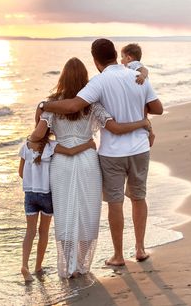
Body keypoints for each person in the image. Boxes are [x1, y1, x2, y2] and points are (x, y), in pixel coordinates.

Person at [39, 40, 163, 267]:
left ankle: (118, 255)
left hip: (112, 153)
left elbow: (72, 106)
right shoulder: (138, 75)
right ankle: (140, 248)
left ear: (95, 61)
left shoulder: (99, 82)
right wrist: (143, 119)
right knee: (138, 197)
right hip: (140, 149)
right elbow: (158, 109)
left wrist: (43, 106)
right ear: (116, 54)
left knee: (115, 203)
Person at [19, 125, 98, 282]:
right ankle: (38, 267)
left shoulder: (25, 146)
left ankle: (25, 265)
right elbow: (70, 151)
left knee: (30, 231)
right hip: (46, 195)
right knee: (44, 231)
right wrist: (89, 144)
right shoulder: (51, 146)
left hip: (29, 195)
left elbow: (21, 172)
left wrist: (32, 180)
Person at [121, 43, 155, 147]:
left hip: (142, 92)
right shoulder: (132, 66)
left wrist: (143, 76)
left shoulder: (133, 64)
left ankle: (150, 132)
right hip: (143, 94)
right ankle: (150, 131)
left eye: (122, 57)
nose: (121, 61)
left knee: (143, 116)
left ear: (128, 57)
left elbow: (144, 69)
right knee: (143, 114)